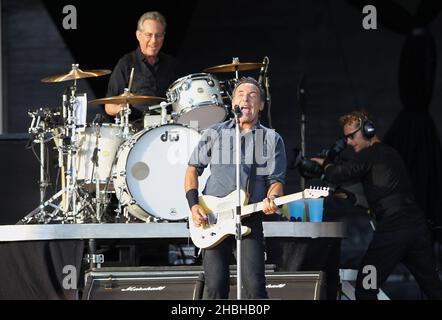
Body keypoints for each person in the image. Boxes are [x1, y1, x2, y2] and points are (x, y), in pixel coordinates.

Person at [311, 110, 442, 300]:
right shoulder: (389, 154)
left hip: (393, 230)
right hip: (416, 228)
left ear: (368, 130)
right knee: (434, 288)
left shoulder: (371, 154)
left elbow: (336, 175)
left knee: (366, 286)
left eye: (351, 136)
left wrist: (326, 164)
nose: (348, 142)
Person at [184, 77, 287, 299]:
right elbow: (192, 169)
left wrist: (273, 198)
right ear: (233, 103)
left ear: (261, 105)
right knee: (215, 286)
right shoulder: (214, 132)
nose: (246, 99)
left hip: (249, 218)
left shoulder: (271, 138)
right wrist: (193, 207)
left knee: (254, 286)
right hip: (212, 217)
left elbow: (275, 181)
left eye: (253, 95)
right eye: (241, 94)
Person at [104, 11, 178, 124]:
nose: (154, 41)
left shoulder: (171, 64)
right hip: (137, 130)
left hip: (167, 128)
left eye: (158, 35)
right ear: (138, 35)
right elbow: (108, 106)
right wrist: (122, 108)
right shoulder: (126, 63)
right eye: (149, 35)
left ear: (163, 36)